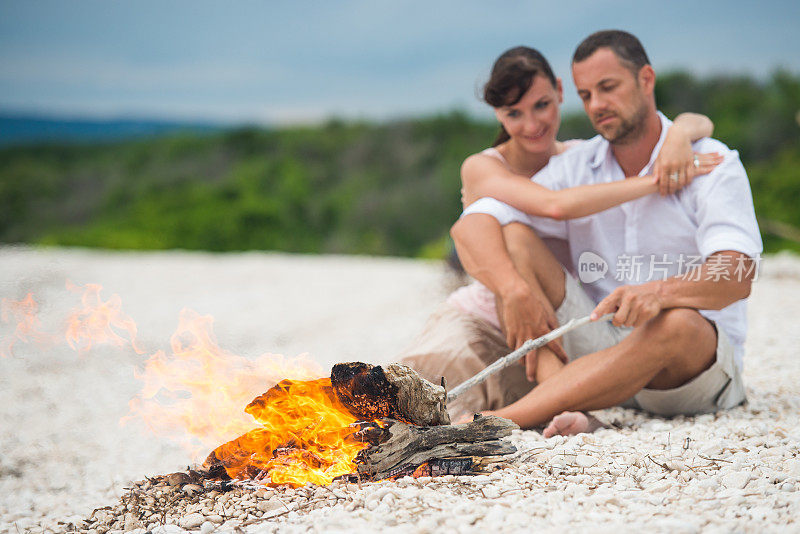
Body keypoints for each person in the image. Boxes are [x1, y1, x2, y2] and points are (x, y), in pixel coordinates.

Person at [450, 30, 762, 436]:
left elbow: (738, 276)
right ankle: (577, 405)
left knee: (676, 323)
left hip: (691, 372)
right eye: (586, 95)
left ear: (645, 80)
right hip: (601, 349)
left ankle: (505, 421)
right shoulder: (577, 166)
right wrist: (512, 289)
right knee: (518, 236)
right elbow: (476, 219)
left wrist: (659, 293)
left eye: (608, 88)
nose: (597, 105)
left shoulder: (710, 162)